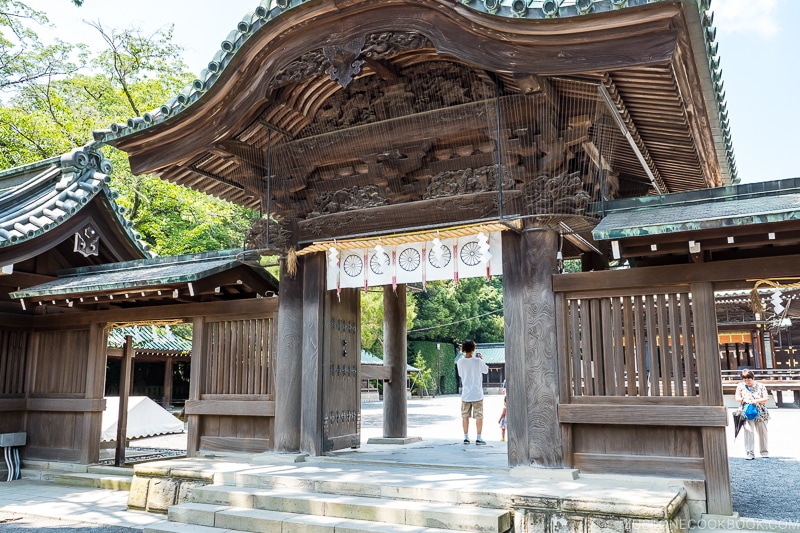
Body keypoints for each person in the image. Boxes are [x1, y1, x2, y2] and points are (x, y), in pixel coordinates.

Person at [456, 339, 489, 445]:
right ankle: (479, 438)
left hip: (466, 394)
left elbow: (461, 375)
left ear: (463, 349)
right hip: (477, 393)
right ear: (473, 348)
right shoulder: (478, 361)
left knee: (465, 416)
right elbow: (486, 370)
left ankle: (466, 437)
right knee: (479, 416)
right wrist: (481, 360)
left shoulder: (460, 362)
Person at [734, 368, 770, 460]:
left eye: (749, 379)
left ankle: (764, 451)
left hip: (760, 411)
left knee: (763, 432)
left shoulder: (761, 386)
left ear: (753, 378)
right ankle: (749, 452)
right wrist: (744, 400)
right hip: (747, 412)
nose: (747, 382)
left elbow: (766, 398)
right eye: (745, 380)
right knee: (748, 432)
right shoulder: (740, 386)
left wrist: (756, 400)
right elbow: (737, 397)